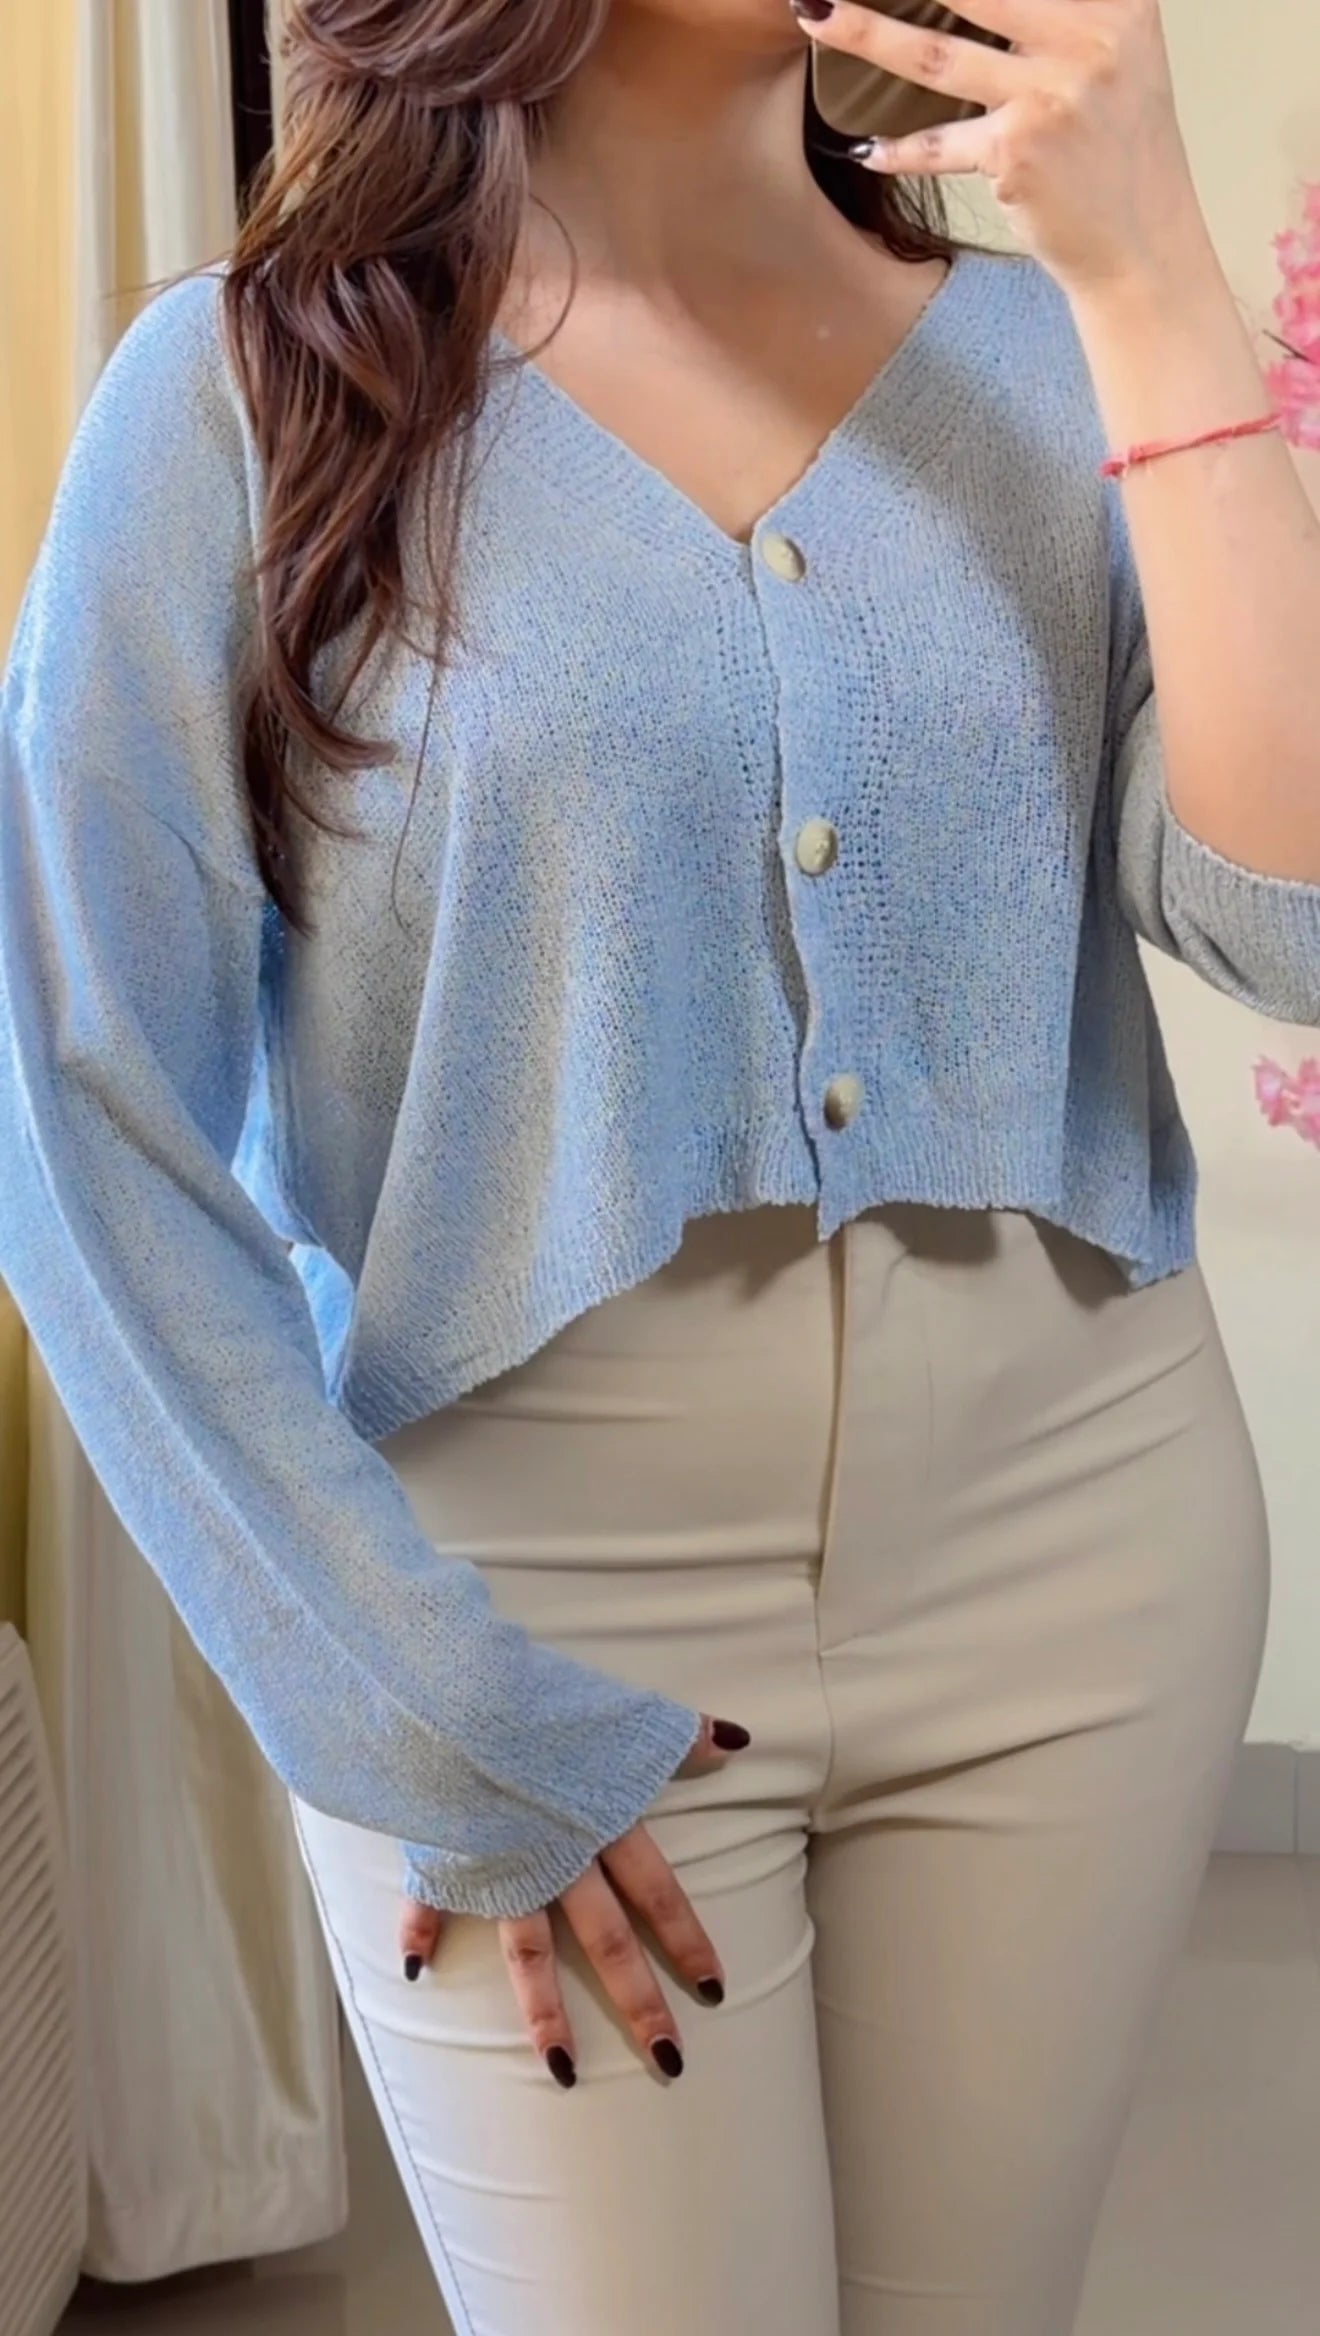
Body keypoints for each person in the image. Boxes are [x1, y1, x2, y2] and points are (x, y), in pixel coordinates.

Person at [3, 0, 1319, 2327]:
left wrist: (1154, 279)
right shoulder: (239, 397)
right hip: (527, 1598)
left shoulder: (1047, 354)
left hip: (1084, 1562)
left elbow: (1287, 927)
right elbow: (77, 1114)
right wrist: (416, 1702)